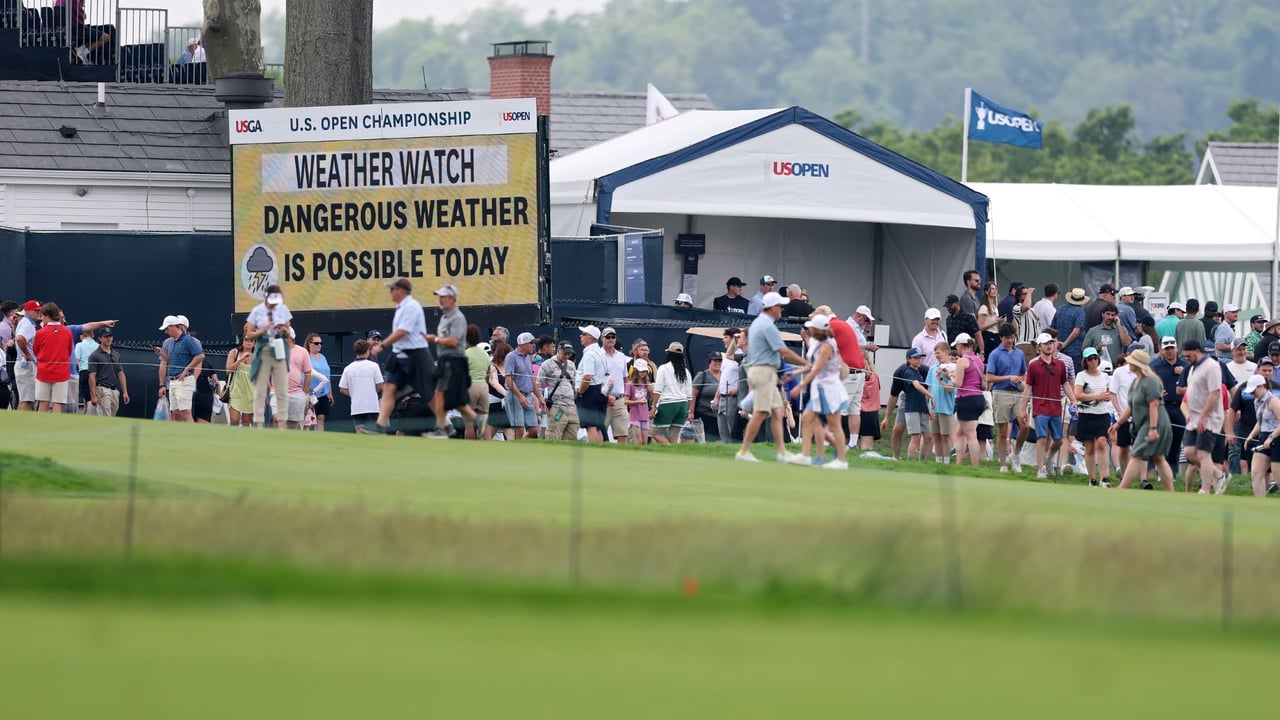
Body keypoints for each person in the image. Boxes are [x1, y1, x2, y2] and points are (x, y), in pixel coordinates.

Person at [735, 291, 808, 463]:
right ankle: (744, 451)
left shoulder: (759, 323)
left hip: (767, 372)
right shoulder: (767, 326)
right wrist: (806, 363)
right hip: (763, 372)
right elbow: (783, 351)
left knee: (777, 412)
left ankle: (782, 453)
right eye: (780, 306)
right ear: (772, 308)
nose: (782, 309)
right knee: (761, 412)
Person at [787, 313, 849, 469]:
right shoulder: (817, 342)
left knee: (834, 425)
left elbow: (817, 369)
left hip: (829, 389)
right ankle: (805, 455)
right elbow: (812, 366)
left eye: (812, 328)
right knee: (807, 418)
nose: (810, 330)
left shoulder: (827, 346)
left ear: (819, 330)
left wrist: (800, 386)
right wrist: (795, 373)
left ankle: (841, 460)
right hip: (819, 388)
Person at [1111, 350, 1176, 491]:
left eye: (1131, 361)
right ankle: (1171, 492)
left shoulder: (1151, 381)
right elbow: (1131, 406)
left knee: (1136, 454)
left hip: (1154, 423)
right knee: (1158, 458)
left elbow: (1154, 405)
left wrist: (1153, 428)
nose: (1128, 363)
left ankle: (1122, 488)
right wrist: (1118, 423)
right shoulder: (1136, 382)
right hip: (1146, 423)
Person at [425, 283, 477, 439]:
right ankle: (475, 421)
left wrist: (434, 339)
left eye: (444, 297)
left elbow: (454, 341)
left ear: (453, 299)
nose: (441, 300)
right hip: (445, 360)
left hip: (454, 361)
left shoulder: (458, 318)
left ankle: (442, 428)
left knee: (440, 393)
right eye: (440, 297)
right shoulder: (444, 317)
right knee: (454, 400)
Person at [1022, 332, 1077, 479]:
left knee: (1058, 440)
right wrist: (1023, 409)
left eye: (1051, 343)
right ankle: (1040, 469)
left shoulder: (1060, 364)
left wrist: (1073, 400)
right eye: (1046, 343)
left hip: (1056, 408)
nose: (1049, 346)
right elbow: (1028, 387)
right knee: (1042, 438)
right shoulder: (1033, 365)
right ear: (1039, 347)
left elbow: (1065, 384)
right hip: (1040, 407)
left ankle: (1047, 460)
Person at [1181, 339, 1229, 494]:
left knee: (1204, 454)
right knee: (1189, 452)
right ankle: (1219, 475)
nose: (1187, 359)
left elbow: (1215, 393)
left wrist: (1203, 416)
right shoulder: (1192, 368)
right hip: (1194, 418)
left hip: (1209, 418)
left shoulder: (1212, 366)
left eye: (1188, 356)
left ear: (1197, 351)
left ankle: (1205, 490)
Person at [244, 286, 292, 429]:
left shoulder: (283, 309)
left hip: (279, 349)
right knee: (260, 389)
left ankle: (282, 423)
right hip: (264, 349)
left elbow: (289, 333)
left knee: (282, 389)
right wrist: (263, 330)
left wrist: (283, 329)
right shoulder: (257, 311)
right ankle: (259, 423)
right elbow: (249, 334)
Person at [986, 323, 1027, 473]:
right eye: (1007, 338)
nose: (1010, 340)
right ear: (1001, 338)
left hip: (1017, 393)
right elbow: (989, 377)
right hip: (1001, 392)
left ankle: (1015, 454)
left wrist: (1022, 381)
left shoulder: (1019, 354)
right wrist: (1008, 377)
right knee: (1003, 431)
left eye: (1012, 337)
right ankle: (1003, 464)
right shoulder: (995, 354)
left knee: (1025, 425)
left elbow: (1023, 372)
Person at [1075, 348, 1115, 487]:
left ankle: (1105, 478)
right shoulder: (1081, 376)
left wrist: (1107, 396)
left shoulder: (1105, 376)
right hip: (1086, 414)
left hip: (1102, 414)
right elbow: (1078, 395)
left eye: (1095, 358)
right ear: (1085, 361)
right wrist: (1098, 396)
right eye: (1090, 359)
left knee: (1102, 444)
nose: (1093, 361)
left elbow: (1109, 393)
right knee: (1090, 447)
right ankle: (1092, 479)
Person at [1151, 336, 1188, 471]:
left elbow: (1195, 383)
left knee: (1177, 441)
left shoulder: (1186, 366)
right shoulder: (1155, 366)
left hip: (1180, 407)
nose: (1170, 351)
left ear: (1177, 349)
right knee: (1163, 440)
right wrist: (1157, 393)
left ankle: (1173, 472)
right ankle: (1162, 471)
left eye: (1172, 348)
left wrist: (1184, 372)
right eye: (1167, 349)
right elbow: (1149, 386)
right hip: (1163, 406)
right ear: (1161, 350)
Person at [159, 314, 205, 423]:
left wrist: (186, 370)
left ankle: (191, 433)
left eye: (167, 329)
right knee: (175, 412)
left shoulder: (187, 340)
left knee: (185, 412)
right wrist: (162, 353)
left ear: (174, 326)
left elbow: (200, 356)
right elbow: (171, 361)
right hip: (173, 381)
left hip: (184, 380)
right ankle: (178, 433)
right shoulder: (173, 342)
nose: (166, 332)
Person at [31, 303, 74, 413]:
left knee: (43, 403)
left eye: (42, 316)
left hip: (43, 372)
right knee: (57, 404)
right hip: (61, 372)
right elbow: (69, 351)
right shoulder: (67, 332)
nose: (41, 319)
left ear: (47, 316)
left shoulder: (40, 333)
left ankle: (41, 424)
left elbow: (35, 351)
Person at [951, 333, 986, 468]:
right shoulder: (978, 360)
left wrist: (949, 376)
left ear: (960, 345)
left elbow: (958, 383)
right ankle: (959, 463)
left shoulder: (962, 361)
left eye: (957, 346)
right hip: (978, 398)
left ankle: (975, 465)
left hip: (966, 398)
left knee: (971, 434)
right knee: (960, 432)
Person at [651, 342, 693, 445]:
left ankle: (669, 448)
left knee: (655, 433)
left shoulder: (663, 368)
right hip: (683, 405)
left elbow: (658, 390)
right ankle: (673, 452)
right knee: (673, 437)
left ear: (669, 354)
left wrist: (654, 407)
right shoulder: (686, 372)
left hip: (667, 404)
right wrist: (689, 410)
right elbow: (689, 395)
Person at [1245, 374, 1280, 498]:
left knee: (1277, 476)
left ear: (1261, 387)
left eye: (1254, 391)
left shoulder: (1273, 400)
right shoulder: (1257, 401)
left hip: (1277, 437)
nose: (1252, 394)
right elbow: (1260, 422)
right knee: (1256, 472)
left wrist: (1272, 437)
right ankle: (1259, 502)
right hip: (1264, 438)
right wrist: (1251, 435)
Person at [539, 341, 580, 441]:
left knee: (572, 435)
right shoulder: (547, 364)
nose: (567, 356)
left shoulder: (571, 365)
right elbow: (537, 383)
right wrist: (541, 401)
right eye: (565, 353)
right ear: (558, 350)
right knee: (553, 434)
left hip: (571, 405)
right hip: (557, 406)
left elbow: (574, 384)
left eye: (569, 354)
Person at [503, 332, 541, 440]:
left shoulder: (528, 358)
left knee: (534, 430)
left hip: (528, 396)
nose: (534, 345)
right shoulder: (511, 357)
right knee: (519, 430)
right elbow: (509, 379)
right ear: (523, 344)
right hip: (515, 396)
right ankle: (516, 449)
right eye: (531, 343)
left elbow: (531, 379)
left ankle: (518, 445)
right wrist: (520, 396)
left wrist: (540, 398)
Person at [924, 341, 957, 464]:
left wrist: (940, 378)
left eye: (938, 353)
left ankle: (946, 462)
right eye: (935, 353)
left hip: (946, 408)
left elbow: (950, 389)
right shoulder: (932, 368)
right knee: (936, 436)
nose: (936, 355)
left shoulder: (952, 368)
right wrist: (927, 406)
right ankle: (938, 461)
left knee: (945, 436)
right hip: (934, 408)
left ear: (946, 352)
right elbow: (928, 389)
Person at [575, 326, 609, 442]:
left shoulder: (589, 354)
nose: (580, 336)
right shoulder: (601, 352)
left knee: (591, 426)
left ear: (590, 338)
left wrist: (580, 392)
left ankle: (594, 450)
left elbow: (588, 376)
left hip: (590, 391)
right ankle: (599, 451)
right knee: (598, 426)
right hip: (601, 390)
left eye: (583, 334)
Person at [898, 348, 933, 461]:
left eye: (920, 358)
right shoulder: (908, 372)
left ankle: (921, 461)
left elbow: (921, 394)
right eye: (916, 358)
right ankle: (910, 461)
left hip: (922, 408)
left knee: (928, 437)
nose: (919, 360)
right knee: (916, 436)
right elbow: (917, 386)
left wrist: (928, 409)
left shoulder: (918, 372)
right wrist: (931, 395)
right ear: (909, 359)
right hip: (912, 408)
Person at [599, 327, 630, 443]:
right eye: (608, 337)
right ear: (602, 338)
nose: (610, 339)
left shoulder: (621, 357)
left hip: (619, 400)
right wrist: (605, 396)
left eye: (613, 337)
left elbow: (625, 378)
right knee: (600, 433)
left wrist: (626, 396)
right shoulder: (597, 355)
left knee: (623, 434)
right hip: (603, 400)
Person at [714, 328, 742, 443]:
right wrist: (716, 397)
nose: (723, 340)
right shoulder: (726, 357)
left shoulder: (741, 355)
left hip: (733, 398)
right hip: (722, 397)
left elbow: (748, 377)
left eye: (725, 337)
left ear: (733, 338)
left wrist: (738, 389)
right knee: (723, 430)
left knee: (733, 429)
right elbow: (723, 378)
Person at [12, 299, 42, 410]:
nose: (38, 313)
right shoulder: (27, 323)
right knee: (28, 400)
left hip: (24, 364)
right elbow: (20, 338)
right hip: (27, 365)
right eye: (36, 310)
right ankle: (24, 420)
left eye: (39, 310)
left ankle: (20, 420)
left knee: (25, 399)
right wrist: (27, 354)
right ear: (28, 311)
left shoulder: (26, 322)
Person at [1051, 288, 1088, 372]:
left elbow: (1052, 328)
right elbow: (1077, 330)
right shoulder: (1080, 312)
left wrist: (1057, 343)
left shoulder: (1060, 309)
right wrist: (1065, 343)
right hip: (1075, 351)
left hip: (1059, 350)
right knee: (1073, 375)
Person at [463, 326, 490, 440]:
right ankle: (489, 446)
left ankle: (470, 448)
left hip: (470, 386)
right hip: (483, 387)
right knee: (484, 422)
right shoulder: (485, 354)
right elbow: (488, 373)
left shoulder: (464, 354)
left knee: (469, 423)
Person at [303, 333, 332, 431]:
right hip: (310, 393)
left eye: (321, 343)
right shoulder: (306, 356)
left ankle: (319, 437)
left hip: (323, 394)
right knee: (307, 419)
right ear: (309, 343)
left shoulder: (323, 357)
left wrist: (330, 393)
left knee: (321, 417)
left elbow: (327, 376)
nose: (319, 345)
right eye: (316, 343)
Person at [692, 353, 721, 442]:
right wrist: (691, 412)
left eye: (720, 361)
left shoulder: (725, 375)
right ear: (709, 362)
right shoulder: (703, 375)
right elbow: (693, 394)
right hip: (704, 414)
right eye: (715, 360)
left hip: (720, 415)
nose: (718, 363)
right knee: (706, 440)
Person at [857, 351, 883, 455]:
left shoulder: (855, 376)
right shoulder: (875, 377)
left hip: (856, 412)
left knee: (847, 446)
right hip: (871, 414)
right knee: (867, 450)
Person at [623, 359, 653, 445]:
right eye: (641, 371)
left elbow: (650, 398)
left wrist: (651, 391)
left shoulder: (646, 384)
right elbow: (625, 401)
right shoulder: (630, 384)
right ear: (636, 371)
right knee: (638, 441)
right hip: (635, 416)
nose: (643, 373)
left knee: (644, 442)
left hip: (644, 416)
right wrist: (638, 402)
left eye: (645, 371)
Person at [73, 325, 98, 414]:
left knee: (88, 396)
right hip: (96, 373)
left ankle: (90, 415)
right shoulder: (98, 346)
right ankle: (86, 412)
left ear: (82, 335)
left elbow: (76, 360)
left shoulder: (79, 345)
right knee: (93, 394)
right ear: (93, 335)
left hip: (84, 372)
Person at [977, 281, 1002, 360]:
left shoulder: (995, 307)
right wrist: (995, 322)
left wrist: (1000, 321)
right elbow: (980, 327)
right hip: (987, 336)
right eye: (992, 289)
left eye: (995, 289)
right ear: (986, 292)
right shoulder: (984, 308)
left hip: (996, 336)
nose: (995, 291)